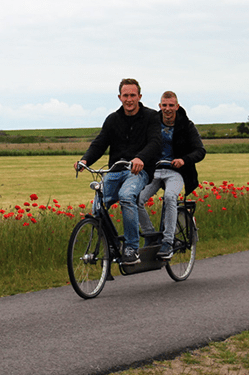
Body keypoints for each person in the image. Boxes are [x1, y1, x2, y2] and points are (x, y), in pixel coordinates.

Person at [75, 78, 161, 264]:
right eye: (125, 95)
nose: (129, 99)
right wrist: (85, 160)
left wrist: (141, 158)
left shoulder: (151, 117)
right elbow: (100, 143)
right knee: (98, 204)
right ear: (119, 97)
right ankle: (110, 246)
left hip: (138, 171)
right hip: (114, 170)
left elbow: (155, 142)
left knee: (126, 195)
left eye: (132, 95)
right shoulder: (113, 119)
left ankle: (131, 248)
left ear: (139, 96)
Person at [136, 91, 205, 259]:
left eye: (171, 105)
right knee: (136, 199)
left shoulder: (187, 126)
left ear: (177, 106)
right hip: (154, 171)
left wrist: (184, 160)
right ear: (159, 106)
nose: (167, 109)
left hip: (176, 172)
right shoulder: (152, 124)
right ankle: (151, 236)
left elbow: (200, 151)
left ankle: (168, 242)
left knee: (169, 197)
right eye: (164, 105)